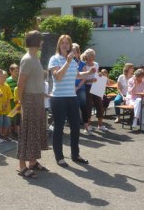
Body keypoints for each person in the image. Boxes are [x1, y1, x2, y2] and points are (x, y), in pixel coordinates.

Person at [48, 34, 94, 168]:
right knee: (59, 128)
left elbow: (77, 75)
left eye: (67, 43)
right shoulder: (54, 59)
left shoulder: (73, 61)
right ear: (59, 45)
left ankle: (75, 154)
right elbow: (58, 77)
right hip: (59, 98)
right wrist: (67, 62)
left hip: (72, 97)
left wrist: (89, 72)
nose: (65, 45)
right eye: (62, 43)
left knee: (75, 127)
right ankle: (59, 157)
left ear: (70, 45)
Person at [16, 31, 48, 178]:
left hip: (38, 99)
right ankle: (22, 166)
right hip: (29, 100)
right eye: (41, 40)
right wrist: (21, 102)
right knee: (27, 132)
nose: (42, 43)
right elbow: (21, 83)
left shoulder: (35, 58)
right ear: (37, 41)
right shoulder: (27, 59)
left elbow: (34, 80)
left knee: (35, 132)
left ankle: (33, 162)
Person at [82, 48, 107, 133]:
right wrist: (90, 80)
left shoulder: (96, 64)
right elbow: (83, 78)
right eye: (92, 55)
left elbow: (97, 74)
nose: (94, 57)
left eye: (94, 55)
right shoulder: (84, 65)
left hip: (96, 86)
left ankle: (100, 125)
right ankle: (88, 126)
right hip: (87, 86)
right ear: (88, 56)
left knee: (99, 105)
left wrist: (99, 74)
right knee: (88, 106)